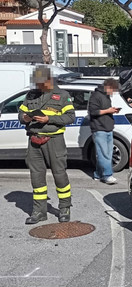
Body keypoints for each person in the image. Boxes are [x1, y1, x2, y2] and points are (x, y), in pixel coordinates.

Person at [18, 66, 76, 224]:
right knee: (36, 177)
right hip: (34, 140)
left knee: (59, 174)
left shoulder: (62, 95)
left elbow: (70, 117)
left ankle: (64, 208)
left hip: (54, 140)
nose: (38, 86)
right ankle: (39, 212)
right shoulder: (31, 95)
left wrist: (49, 119)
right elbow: (21, 113)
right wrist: (25, 118)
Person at [88, 78, 121, 185]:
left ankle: (98, 173)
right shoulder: (96, 96)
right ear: (108, 87)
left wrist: (112, 110)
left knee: (107, 153)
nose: (113, 93)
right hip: (99, 128)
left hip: (108, 127)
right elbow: (93, 111)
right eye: (113, 90)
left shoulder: (106, 96)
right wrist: (108, 110)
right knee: (104, 154)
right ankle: (107, 175)